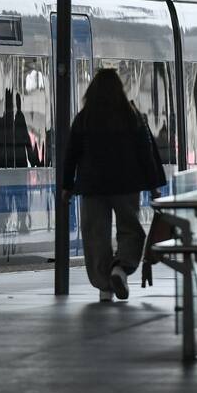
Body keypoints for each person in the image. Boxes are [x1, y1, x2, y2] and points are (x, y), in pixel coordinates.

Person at [62, 69, 166, 302]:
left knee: (95, 235)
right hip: (126, 185)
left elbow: (71, 155)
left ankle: (104, 287)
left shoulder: (84, 118)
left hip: (92, 187)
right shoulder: (131, 116)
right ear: (120, 90)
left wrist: (67, 186)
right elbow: (145, 153)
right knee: (130, 229)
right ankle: (121, 268)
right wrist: (153, 186)